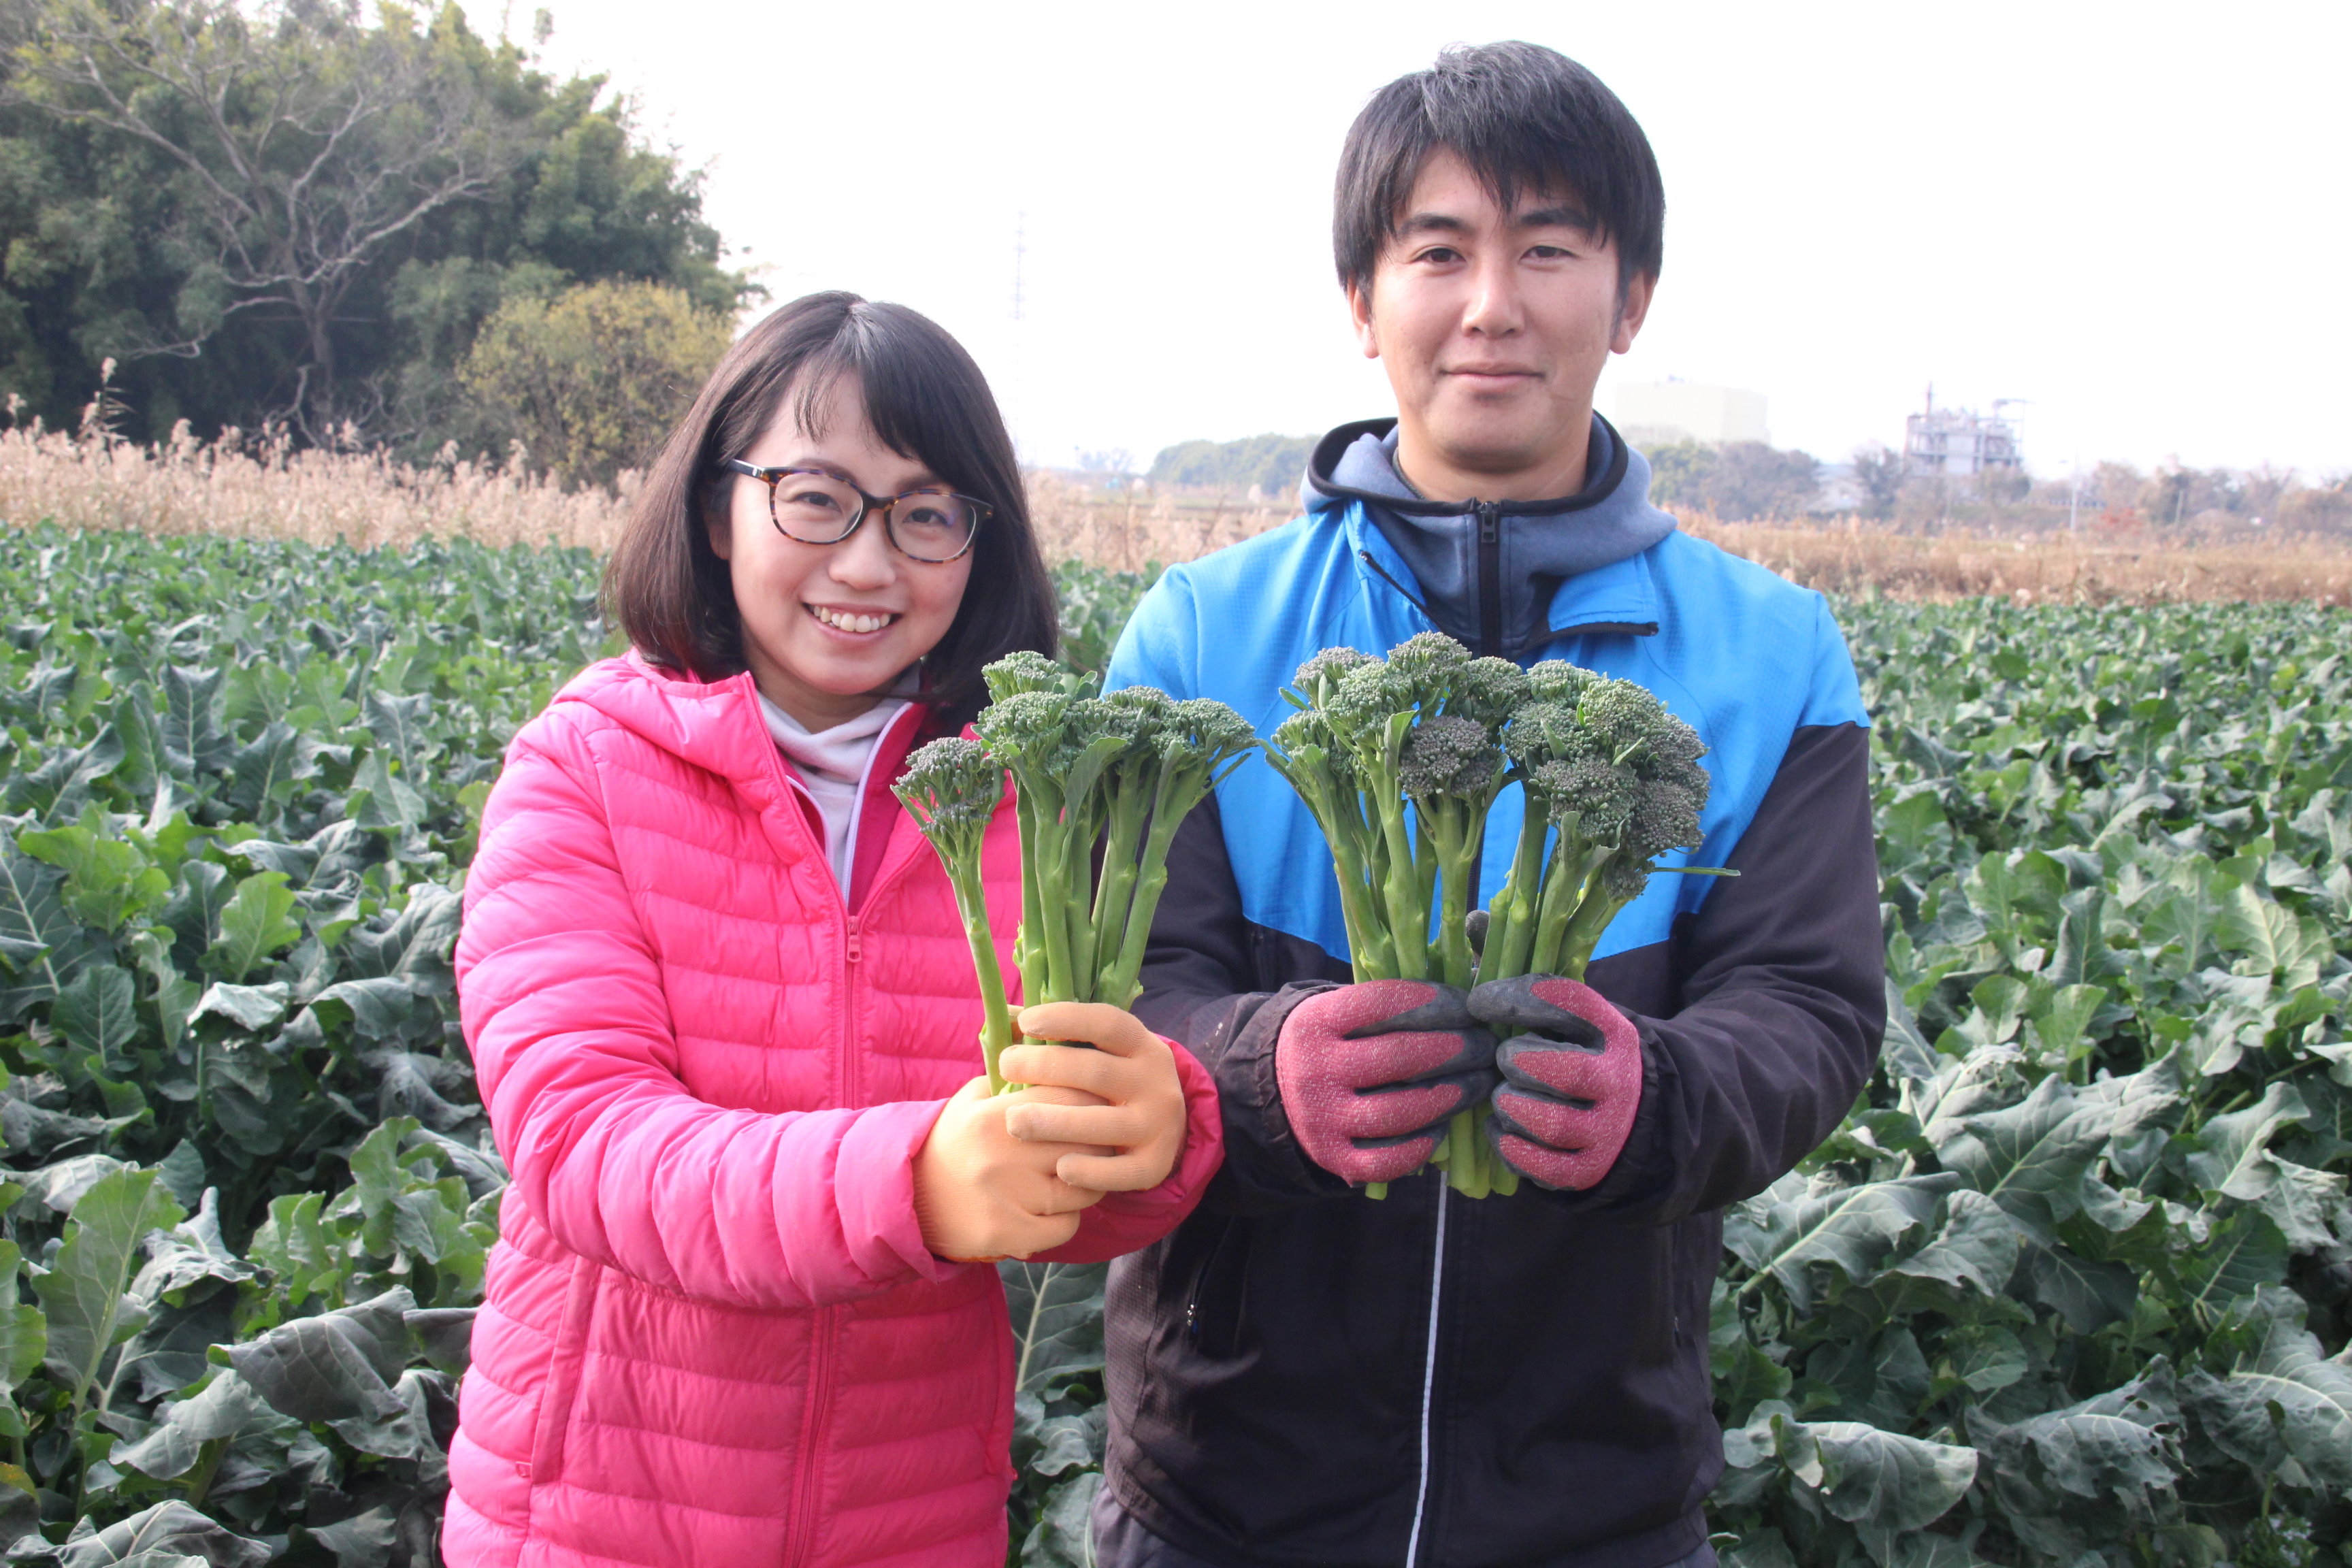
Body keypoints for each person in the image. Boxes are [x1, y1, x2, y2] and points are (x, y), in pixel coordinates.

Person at [1095, 43, 1883, 1568]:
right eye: (1438, 251)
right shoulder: (1202, 635)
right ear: (1362, 301)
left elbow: (1809, 1005)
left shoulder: (1776, 656)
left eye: (1550, 250)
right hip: (1229, 1489)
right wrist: (1258, 1079)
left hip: (1597, 1496)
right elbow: (1132, 989)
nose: (1491, 305)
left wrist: (1661, 1096)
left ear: (1631, 297)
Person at [446, 292, 1224, 1568]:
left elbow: (1049, 1175)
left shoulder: (1033, 799)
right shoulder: (581, 769)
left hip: (909, 1516)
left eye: (927, 514)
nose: (869, 564)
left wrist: (1159, 1135)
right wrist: (915, 1181)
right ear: (716, 508)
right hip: (601, 1514)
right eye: (815, 498)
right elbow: (583, 1143)